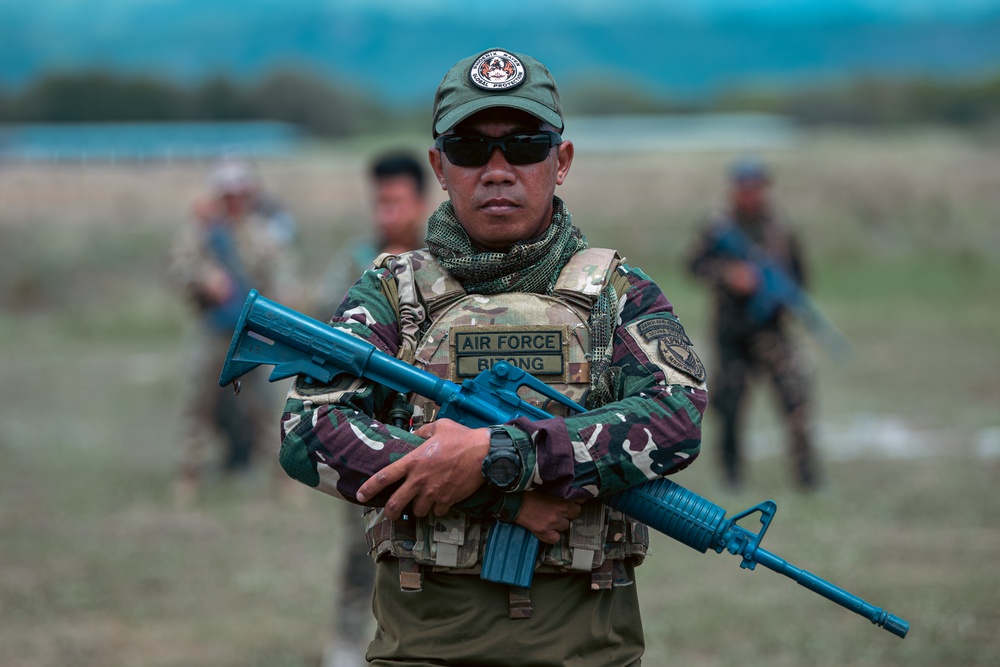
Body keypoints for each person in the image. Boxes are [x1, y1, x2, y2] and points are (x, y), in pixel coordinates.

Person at [278, 48, 707, 666]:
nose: (498, 170)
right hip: (423, 646)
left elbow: (678, 421)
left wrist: (504, 453)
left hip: (587, 649)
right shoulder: (394, 293)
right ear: (440, 165)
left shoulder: (616, 294)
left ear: (560, 163)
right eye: (471, 148)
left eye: (526, 146)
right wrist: (493, 489)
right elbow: (308, 431)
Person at [316, 152, 429, 667]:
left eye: (396, 201)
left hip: (427, 428)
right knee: (360, 540)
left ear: (421, 202)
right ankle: (346, 639)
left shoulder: (441, 259)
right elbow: (320, 321)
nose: (386, 213)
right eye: (379, 201)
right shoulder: (358, 258)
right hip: (366, 427)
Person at [169, 155, 299, 505]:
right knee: (199, 403)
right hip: (214, 330)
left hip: (255, 333)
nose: (234, 200)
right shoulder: (203, 232)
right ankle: (188, 474)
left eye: (240, 192)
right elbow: (180, 268)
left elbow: (282, 279)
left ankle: (283, 478)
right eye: (227, 193)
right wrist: (204, 278)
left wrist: (276, 317)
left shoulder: (264, 232)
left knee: (266, 408)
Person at [685, 156, 819, 491]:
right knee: (729, 407)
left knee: (796, 399)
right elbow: (694, 264)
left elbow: (799, 279)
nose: (751, 194)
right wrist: (730, 275)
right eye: (744, 188)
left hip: (771, 332)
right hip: (731, 333)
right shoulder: (719, 226)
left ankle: (808, 477)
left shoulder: (779, 230)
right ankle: (731, 477)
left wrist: (778, 295)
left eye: (756, 187)